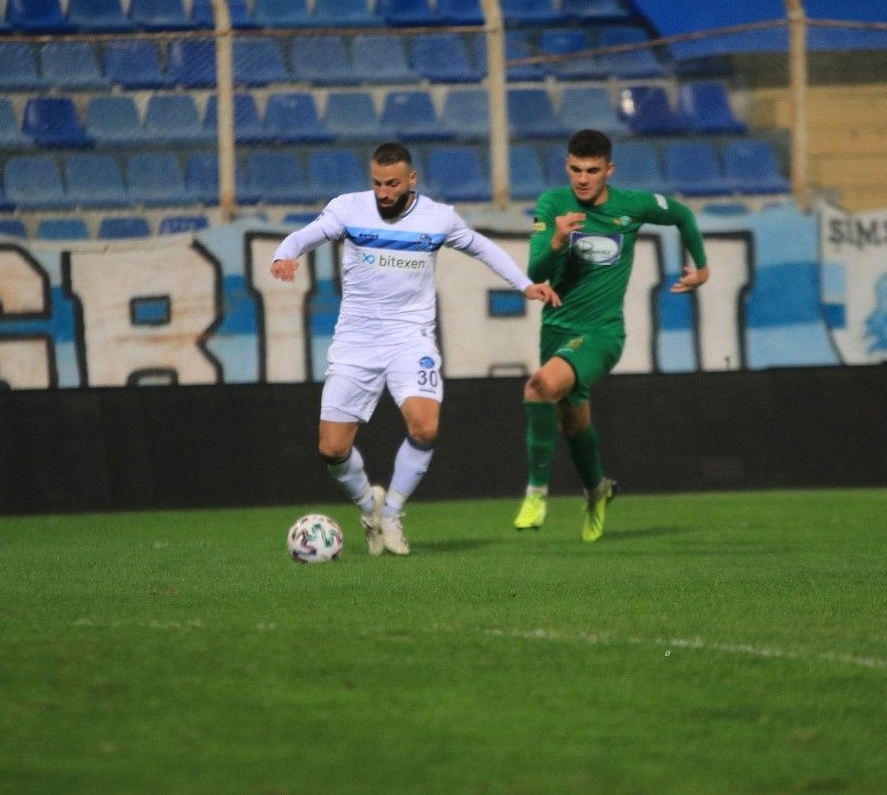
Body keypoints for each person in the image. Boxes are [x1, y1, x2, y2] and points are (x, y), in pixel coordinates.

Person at [272, 142, 560, 557]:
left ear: (411, 179)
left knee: (425, 427)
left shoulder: (437, 218)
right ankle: (368, 507)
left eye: (392, 184)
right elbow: (306, 235)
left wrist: (525, 285)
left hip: (411, 338)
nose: (383, 192)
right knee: (332, 448)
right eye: (377, 183)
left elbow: (481, 247)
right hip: (356, 341)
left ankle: (391, 513)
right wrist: (285, 254)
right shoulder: (349, 209)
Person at [514, 129, 710, 542]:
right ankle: (597, 490)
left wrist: (702, 266)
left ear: (609, 170)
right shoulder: (552, 205)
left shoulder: (631, 205)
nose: (583, 179)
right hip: (556, 331)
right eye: (576, 170)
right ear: (567, 166)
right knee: (573, 424)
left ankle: (535, 494)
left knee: (538, 388)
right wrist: (556, 240)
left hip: (602, 333)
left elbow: (681, 215)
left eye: (592, 171)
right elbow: (535, 273)